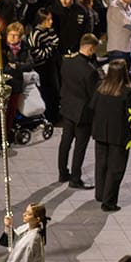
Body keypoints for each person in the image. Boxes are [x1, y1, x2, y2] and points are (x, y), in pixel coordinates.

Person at [92, 62, 131, 212]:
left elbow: (92, 106)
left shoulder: (100, 88)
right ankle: (108, 201)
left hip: (101, 133)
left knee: (101, 164)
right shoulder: (127, 92)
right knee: (116, 168)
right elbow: (130, 114)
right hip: (119, 135)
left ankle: (100, 194)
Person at [57, 33, 99, 188]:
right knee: (80, 146)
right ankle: (75, 178)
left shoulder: (67, 62)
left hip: (68, 107)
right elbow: (92, 94)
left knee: (65, 142)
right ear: (90, 48)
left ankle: (62, 173)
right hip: (83, 113)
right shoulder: (90, 71)